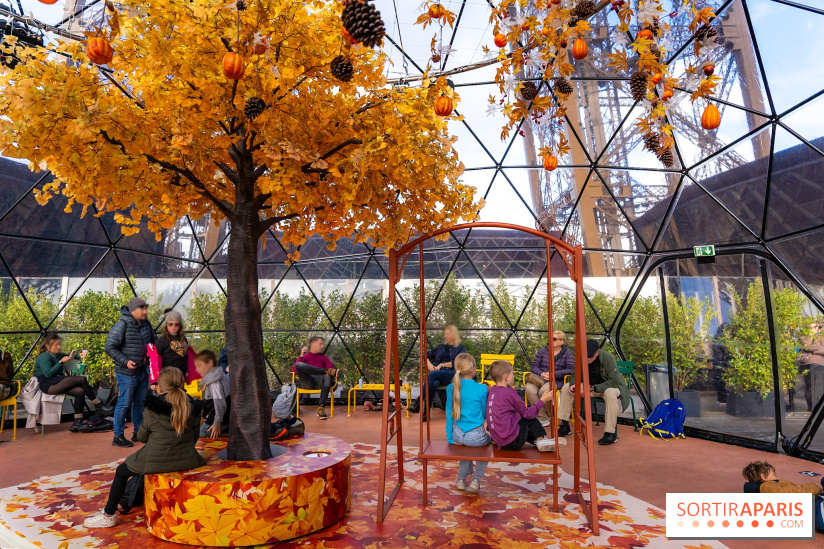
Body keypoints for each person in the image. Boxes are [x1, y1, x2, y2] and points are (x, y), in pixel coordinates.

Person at [83, 368, 205, 528]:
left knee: (121, 472)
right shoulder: (193, 408)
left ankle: (108, 515)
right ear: (182, 384)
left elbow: (142, 437)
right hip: (188, 460)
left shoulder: (152, 409)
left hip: (157, 460)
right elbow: (195, 438)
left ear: (160, 387)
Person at [33, 333, 113, 432]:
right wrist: (60, 362)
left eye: (59, 344)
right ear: (47, 346)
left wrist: (80, 355)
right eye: (56, 345)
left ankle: (77, 423)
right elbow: (48, 374)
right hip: (48, 384)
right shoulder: (44, 357)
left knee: (80, 391)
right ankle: (98, 405)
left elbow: (70, 356)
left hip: (57, 381)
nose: (58, 347)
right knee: (81, 380)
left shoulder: (57, 355)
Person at [557, 339, 630, 446]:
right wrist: (574, 384)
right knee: (566, 388)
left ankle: (610, 433)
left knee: (610, 394)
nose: (586, 359)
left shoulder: (607, 358)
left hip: (607, 387)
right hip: (589, 387)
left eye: (589, 357)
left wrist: (592, 388)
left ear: (597, 353)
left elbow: (614, 381)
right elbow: (575, 375)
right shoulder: (581, 357)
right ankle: (564, 425)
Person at [105, 297, 156, 448]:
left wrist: (150, 357)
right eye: (142, 309)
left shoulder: (146, 324)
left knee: (139, 403)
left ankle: (138, 432)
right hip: (126, 373)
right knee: (124, 403)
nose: (145, 312)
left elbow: (153, 341)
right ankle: (118, 436)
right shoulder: (122, 325)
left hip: (142, 370)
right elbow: (109, 347)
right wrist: (125, 361)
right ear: (133, 310)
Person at [486, 359, 556, 452]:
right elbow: (528, 414)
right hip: (514, 441)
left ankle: (538, 441)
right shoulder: (510, 392)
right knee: (528, 418)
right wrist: (543, 400)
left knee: (518, 421)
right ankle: (541, 439)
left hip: (500, 441)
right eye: (512, 374)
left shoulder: (492, 391)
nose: (513, 377)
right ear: (506, 376)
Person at [445, 353, 490, 493]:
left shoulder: (451, 388)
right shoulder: (482, 388)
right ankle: (477, 479)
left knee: (466, 447)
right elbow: (484, 415)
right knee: (488, 445)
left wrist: (450, 438)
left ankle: (461, 479)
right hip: (476, 436)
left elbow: (449, 416)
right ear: (472, 369)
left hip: (458, 435)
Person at [409, 325, 466, 422]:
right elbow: (426, 355)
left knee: (432, 374)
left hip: (452, 375)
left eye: (447, 334)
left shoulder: (460, 348)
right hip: (438, 374)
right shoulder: (441, 347)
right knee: (434, 383)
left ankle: (418, 402)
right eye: (445, 334)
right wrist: (429, 364)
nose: (445, 336)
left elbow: (458, 362)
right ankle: (425, 413)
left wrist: (441, 365)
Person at [526, 331, 575, 426]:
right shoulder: (542, 351)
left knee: (544, 391)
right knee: (529, 389)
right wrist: (541, 373)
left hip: (556, 380)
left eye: (554, 339)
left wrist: (554, 374)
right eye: (550, 338)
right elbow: (534, 366)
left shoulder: (567, 353)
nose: (551, 341)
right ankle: (542, 417)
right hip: (540, 378)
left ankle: (546, 415)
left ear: (562, 341)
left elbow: (570, 369)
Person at [292, 336, 337, 420]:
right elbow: (294, 372)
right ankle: (323, 371)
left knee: (327, 374)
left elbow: (332, 371)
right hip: (308, 381)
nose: (322, 346)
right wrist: (301, 356)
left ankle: (321, 408)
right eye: (320, 344)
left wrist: (327, 372)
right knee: (299, 365)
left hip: (321, 382)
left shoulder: (323, 358)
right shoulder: (304, 358)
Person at [195, 350, 231, 439]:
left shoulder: (214, 382)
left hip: (221, 416)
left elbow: (220, 404)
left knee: (201, 434)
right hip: (219, 412)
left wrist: (216, 424)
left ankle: (225, 428)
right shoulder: (218, 373)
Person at [153, 310, 190, 382]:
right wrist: (154, 381)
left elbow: (186, 356)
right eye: (170, 324)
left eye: (176, 324)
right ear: (166, 325)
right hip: (167, 378)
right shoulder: (161, 341)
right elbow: (154, 362)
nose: (173, 327)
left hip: (181, 376)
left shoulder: (183, 338)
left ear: (180, 325)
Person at [742, 461, 823, 494]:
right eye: (774, 474)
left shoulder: (761, 488)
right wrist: (818, 487)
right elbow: (797, 491)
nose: (778, 477)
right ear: (763, 477)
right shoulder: (767, 487)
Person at [795, 321, 824, 412]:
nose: (818, 329)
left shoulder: (821, 336)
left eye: (820, 327)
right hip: (807, 364)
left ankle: (818, 406)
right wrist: (818, 348)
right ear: (809, 327)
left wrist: (814, 350)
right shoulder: (804, 335)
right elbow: (806, 346)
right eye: (815, 327)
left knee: (820, 385)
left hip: (820, 364)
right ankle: (811, 406)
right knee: (810, 385)